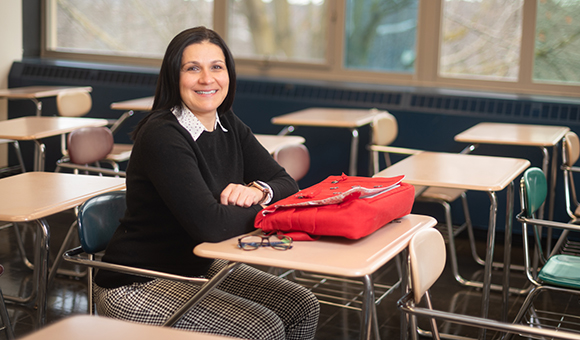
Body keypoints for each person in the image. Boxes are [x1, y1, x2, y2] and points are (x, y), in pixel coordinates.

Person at [93, 26, 320, 340]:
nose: (207, 79)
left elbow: (286, 184)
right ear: (174, 76)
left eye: (216, 67)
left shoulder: (227, 122)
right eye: (192, 68)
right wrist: (266, 207)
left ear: (229, 74)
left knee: (302, 305)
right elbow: (213, 228)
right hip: (138, 282)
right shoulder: (163, 134)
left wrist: (257, 191)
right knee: (263, 329)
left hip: (194, 266)